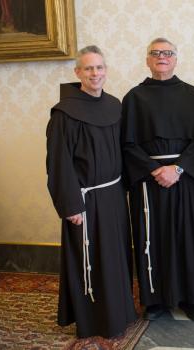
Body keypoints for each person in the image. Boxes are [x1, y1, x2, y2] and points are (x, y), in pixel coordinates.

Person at [46, 45, 137, 338]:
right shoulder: (65, 114)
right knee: (92, 258)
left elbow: (123, 152)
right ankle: (95, 321)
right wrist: (70, 205)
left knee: (115, 257)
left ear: (106, 71)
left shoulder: (114, 105)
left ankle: (119, 314)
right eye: (88, 68)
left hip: (113, 195)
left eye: (99, 68)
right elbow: (58, 162)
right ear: (78, 73)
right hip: (83, 199)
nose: (95, 73)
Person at [121, 38, 194, 321]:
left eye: (168, 53)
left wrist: (179, 169)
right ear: (147, 60)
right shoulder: (133, 98)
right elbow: (126, 144)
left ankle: (192, 298)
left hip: (184, 180)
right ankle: (155, 299)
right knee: (152, 238)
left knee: (188, 237)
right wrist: (153, 169)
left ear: (176, 59)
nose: (162, 57)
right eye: (155, 53)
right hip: (149, 183)